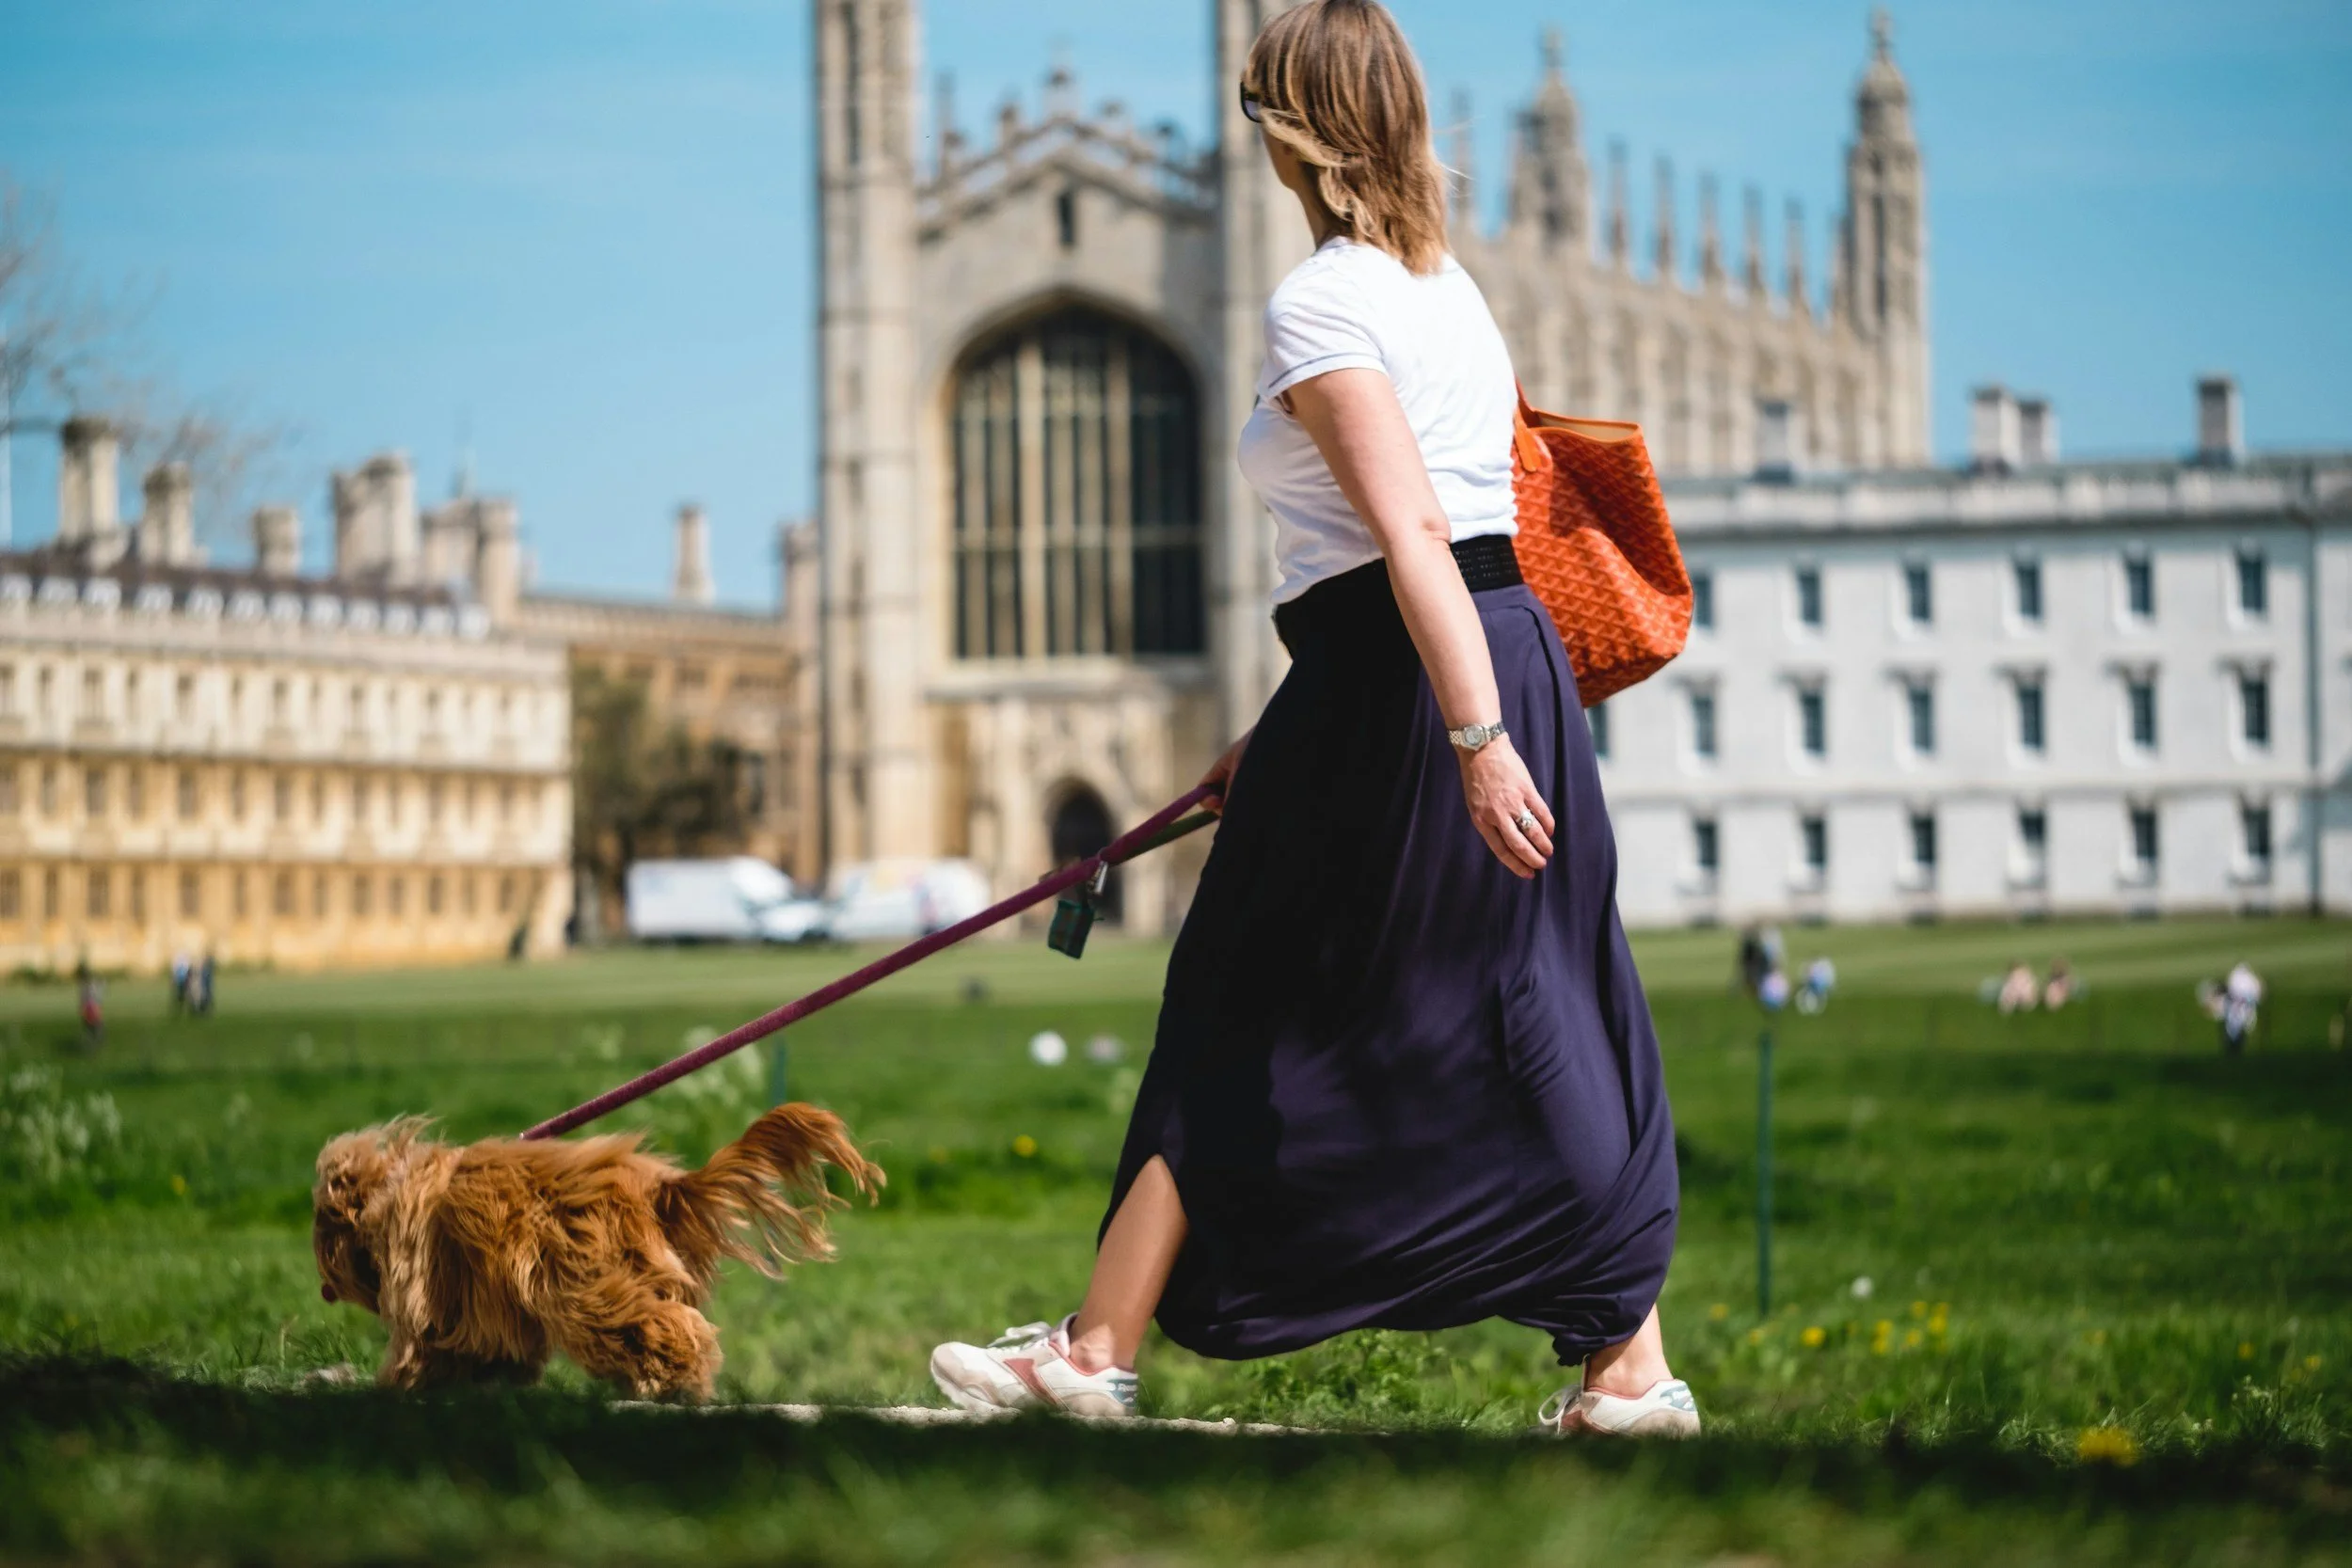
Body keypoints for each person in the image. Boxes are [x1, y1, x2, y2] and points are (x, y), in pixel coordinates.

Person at [929, 0, 1693, 1439]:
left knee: (1235, 993)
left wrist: (1470, 743)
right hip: (1465, 656)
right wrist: (1289, 737)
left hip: (1425, 678)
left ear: (1291, 129)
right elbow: (1418, 550)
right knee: (1529, 998)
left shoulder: (1320, 300)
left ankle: (1095, 1348)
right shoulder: (1444, 288)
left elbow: (1409, 530)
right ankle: (1630, 1372)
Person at [2220, 960, 2263, 1055]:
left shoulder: (2244, 1022)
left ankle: (2234, 1049)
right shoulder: (2247, 1021)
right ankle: (2234, 1049)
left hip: (2238, 1012)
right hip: (2239, 1012)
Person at [76, 959, 104, 1051]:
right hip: (92, 1009)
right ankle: (93, 1043)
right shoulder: (90, 985)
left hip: (90, 1009)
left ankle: (92, 1042)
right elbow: (95, 998)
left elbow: (83, 1000)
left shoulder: (85, 986)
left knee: (92, 1028)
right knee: (94, 1028)